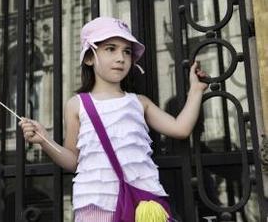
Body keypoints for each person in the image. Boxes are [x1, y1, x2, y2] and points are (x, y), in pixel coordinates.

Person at [19, 17, 209, 221]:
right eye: (111, 49)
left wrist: (196, 90)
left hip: (143, 207)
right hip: (96, 205)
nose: (121, 58)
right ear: (89, 58)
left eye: (126, 51)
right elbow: (74, 161)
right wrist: (44, 140)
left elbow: (180, 128)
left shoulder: (139, 102)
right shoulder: (77, 104)